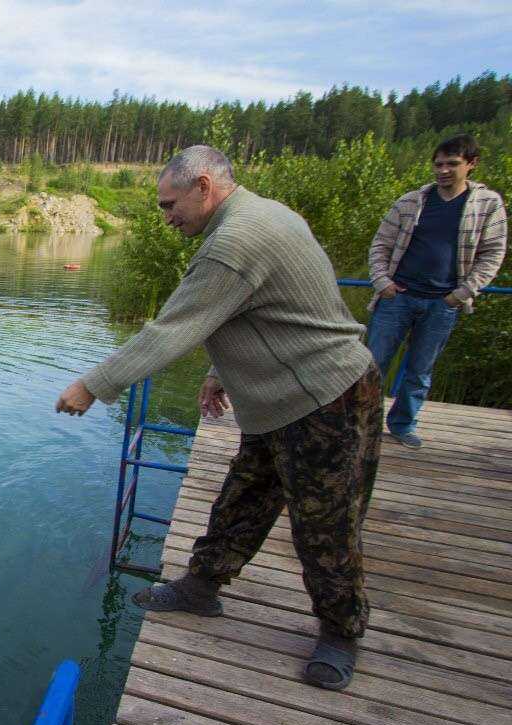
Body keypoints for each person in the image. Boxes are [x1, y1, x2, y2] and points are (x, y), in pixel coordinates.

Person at [55, 145, 382, 691]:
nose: (166, 217)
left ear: (203, 186)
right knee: (242, 499)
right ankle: (201, 587)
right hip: (281, 402)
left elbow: (172, 329)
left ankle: (341, 632)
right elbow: (259, 313)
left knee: (325, 526)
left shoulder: (235, 242)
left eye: (169, 204)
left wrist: (93, 385)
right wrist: (218, 371)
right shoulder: (265, 214)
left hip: (325, 400)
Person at [366, 134, 507, 448]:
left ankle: (403, 425)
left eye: (451, 164)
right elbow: (381, 244)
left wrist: (462, 293)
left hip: (443, 303)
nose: (443, 170)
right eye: (438, 164)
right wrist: (382, 282)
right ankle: (362, 424)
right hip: (397, 297)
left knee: (420, 370)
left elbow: (492, 254)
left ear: (471, 164)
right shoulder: (410, 202)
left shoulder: (487, 205)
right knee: (372, 365)